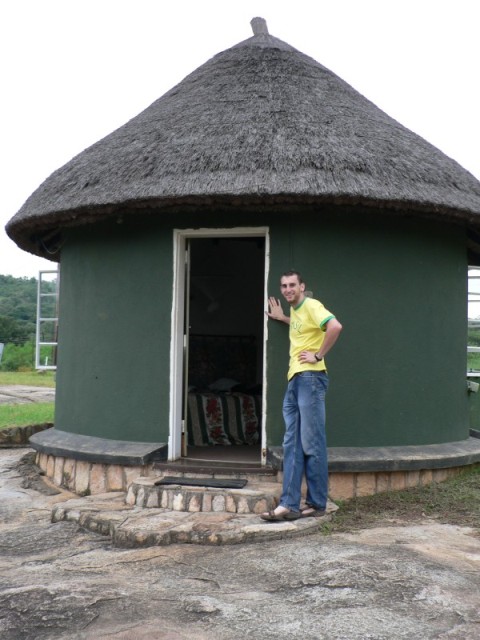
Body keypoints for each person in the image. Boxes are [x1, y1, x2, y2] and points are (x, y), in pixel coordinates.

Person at [261, 270, 342, 521]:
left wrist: (318, 355)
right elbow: (302, 326)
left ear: (302, 286)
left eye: (292, 285)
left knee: (312, 443)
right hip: (295, 379)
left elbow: (335, 326)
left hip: (311, 378)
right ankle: (289, 504)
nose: (287, 290)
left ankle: (317, 503)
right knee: (292, 444)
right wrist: (282, 317)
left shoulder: (312, 304)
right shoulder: (297, 310)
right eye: (284, 286)